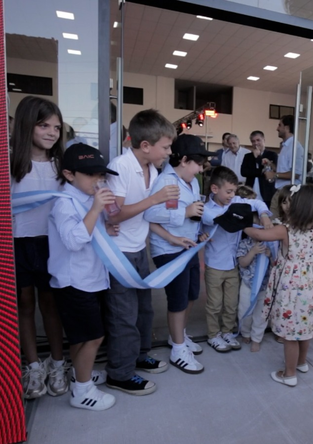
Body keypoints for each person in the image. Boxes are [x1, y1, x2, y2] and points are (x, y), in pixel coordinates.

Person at [103, 109, 179, 395]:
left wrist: (171, 232)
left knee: (144, 310)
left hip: (138, 247)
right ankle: (119, 373)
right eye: (166, 146)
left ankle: (138, 356)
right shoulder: (122, 166)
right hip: (119, 252)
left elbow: (145, 214)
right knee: (124, 315)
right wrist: (154, 199)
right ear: (145, 145)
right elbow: (114, 216)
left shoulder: (153, 169)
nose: (169, 152)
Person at [47, 143, 119, 411]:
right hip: (74, 282)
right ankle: (83, 390)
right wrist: (97, 210)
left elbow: (89, 232)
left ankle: (82, 374)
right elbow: (74, 240)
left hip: (89, 278)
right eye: (90, 175)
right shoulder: (64, 203)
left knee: (82, 336)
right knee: (93, 337)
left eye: (100, 176)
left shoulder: (86, 199)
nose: (97, 181)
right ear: (69, 175)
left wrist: (105, 227)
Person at [9, 96, 68, 400]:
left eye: (56, 127)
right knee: (25, 306)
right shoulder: (10, 161)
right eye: (44, 125)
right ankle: (33, 366)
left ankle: (57, 363)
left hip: (52, 243)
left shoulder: (62, 164)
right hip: (18, 243)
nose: (51, 132)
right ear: (26, 124)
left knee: (51, 306)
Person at [144, 134, 216, 374]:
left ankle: (180, 336)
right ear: (184, 160)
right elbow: (150, 214)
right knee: (177, 300)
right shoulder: (165, 182)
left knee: (191, 294)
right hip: (169, 249)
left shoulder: (193, 182)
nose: (201, 168)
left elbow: (194, 210)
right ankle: (177, 349)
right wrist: (184, 214)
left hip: (189, 246)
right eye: (198, 163)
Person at [243, 184, 313, 387]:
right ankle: (301, 363)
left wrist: (241, 223)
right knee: (304, 328)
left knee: (290, 334)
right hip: (311, 285)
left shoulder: (285, 230)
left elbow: (260, 235)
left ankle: (288, 374)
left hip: (292, 287)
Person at [201, 167, 273, 353]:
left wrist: (264, 215)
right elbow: (219, 221)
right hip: (215, 265)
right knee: (215, 304)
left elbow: (257, 203)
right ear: (215, 189)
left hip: (233, 265)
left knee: (231, 304)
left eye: (234, 191)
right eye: (229, 191)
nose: (233, 196)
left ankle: (227, 332)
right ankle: (213, 335)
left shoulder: (235, 201)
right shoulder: (206, 209)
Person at [236, 201, 273, 352]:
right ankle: (245, 332)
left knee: (261, 314)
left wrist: (270, 255)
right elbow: (242, 263)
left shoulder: (270, 244)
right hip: (248, 284)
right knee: (245, 310)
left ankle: (257, 337)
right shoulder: (244, 244)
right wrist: (252, 252)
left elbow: (276, 263)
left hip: (264, 286)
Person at [267, 115, 306, 218]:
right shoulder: (285, 146)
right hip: (281, 190)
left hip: (289, 193)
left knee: (278, 221)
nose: (277, 128)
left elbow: (296, 174)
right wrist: (271, 165)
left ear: (287, 128)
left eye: (280, 125)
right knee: (274, 220)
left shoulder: (295, 147)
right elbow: (284, 170)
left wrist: (274, 175)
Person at [241, 130, 278, 206]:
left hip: (266, 192)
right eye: (253, 141)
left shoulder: (272, 155)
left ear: (264, 140)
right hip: (250, 191)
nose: (256, 143)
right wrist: (260, 172)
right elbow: (244, 172)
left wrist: (258, 157)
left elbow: (270, 171)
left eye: (258, 140)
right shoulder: (247, 156)